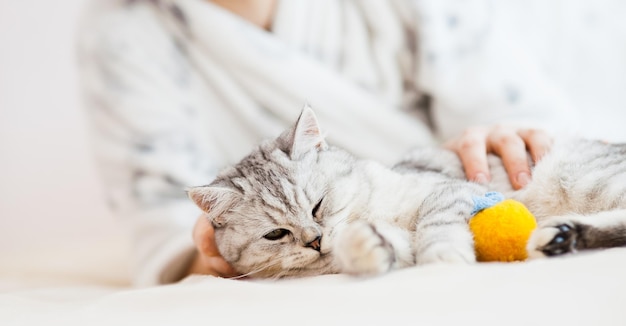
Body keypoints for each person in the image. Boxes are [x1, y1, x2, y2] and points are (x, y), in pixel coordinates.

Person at [78, 0, 571, 286]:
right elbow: (165, 235)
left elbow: (518, 112)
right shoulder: (124, 35)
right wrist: (219, 253)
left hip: (447, 187)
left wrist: (503, 132)